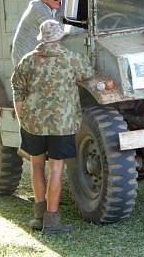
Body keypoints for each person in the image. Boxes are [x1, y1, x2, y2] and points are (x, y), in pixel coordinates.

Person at [11, 19, 93, 235]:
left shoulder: (27, 60)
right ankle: (53, 221)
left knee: (36, 165)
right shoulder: (71, 58)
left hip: (33, 123)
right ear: (60, 37)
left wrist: (24, 121)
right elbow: (88, 74)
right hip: (62, 124)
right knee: (56, 169)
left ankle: (38, 216)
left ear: (42, 37)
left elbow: (17, 93)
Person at [11, 0, 63, 66]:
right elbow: (57, 28)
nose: (59, 1)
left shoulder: (51, 7)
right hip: (25, 58)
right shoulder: (37, 8)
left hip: (36, 56)